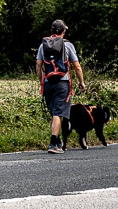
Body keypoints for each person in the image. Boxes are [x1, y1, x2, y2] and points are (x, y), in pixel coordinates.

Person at [36, 19, 85, 153]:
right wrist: (81, 82)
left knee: (54, 112)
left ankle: (57, 142)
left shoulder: (43, 45)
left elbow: (38, 66)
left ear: (51, 31)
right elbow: (77, 66)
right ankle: (53, 144)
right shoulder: (68, 45)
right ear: (64, 31)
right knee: (58, 113)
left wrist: (42, 80)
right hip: (62, 83)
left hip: (48, 84)